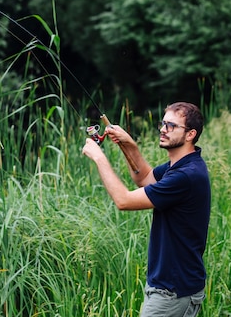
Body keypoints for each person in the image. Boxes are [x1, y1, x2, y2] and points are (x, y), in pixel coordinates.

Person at [81, 102, 211, 317]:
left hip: (173, 291)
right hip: (172, 287)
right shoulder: (179, 166)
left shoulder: (186, 176)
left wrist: (99, 158)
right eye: (163, 123)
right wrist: (129, 145)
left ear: (190, 134)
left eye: (171, 125)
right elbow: (144, 178)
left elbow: (123, 201)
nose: (162, 129)